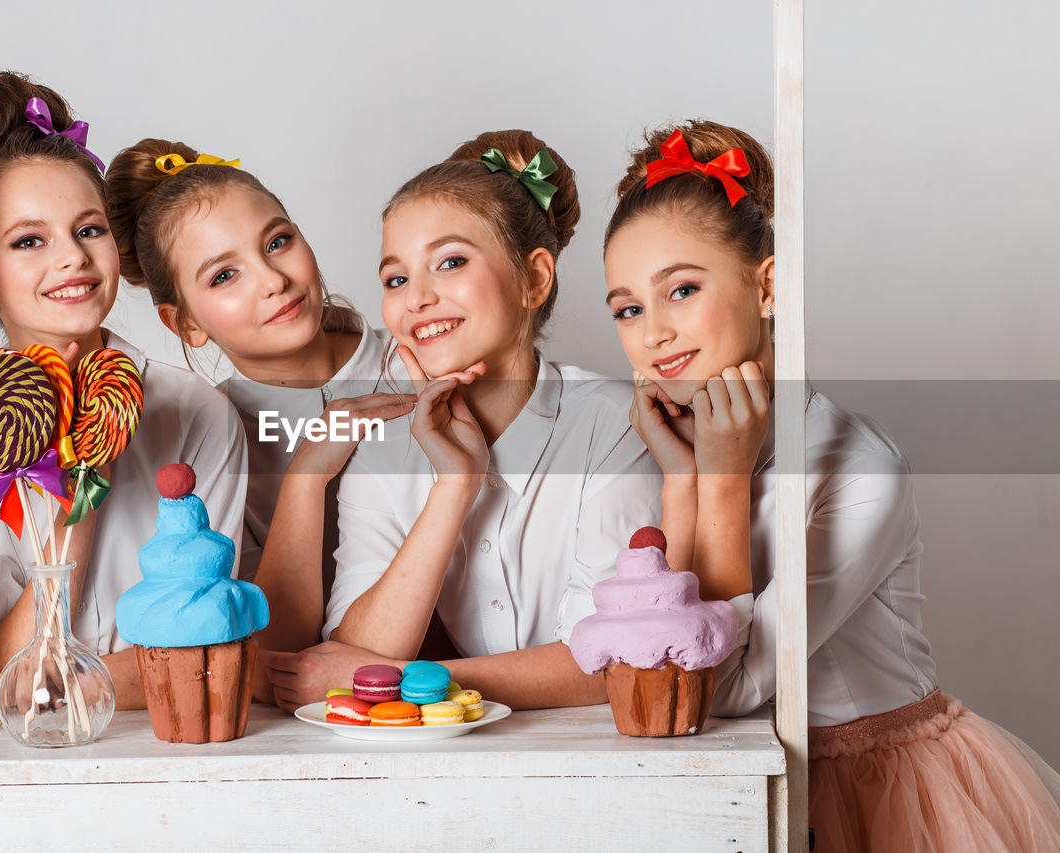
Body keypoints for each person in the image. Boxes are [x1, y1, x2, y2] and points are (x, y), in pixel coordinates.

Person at [603, 118, 1060, 852]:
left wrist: (715, 482)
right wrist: (685, 478)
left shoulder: (858, 466)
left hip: (883, 793)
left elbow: (721, 686)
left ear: (769, 284)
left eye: (681, 289)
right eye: (628, 308)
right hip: (735, 781)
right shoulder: (673, 447)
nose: (652, 333)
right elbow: (658, 674)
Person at [0, 72, 246, 853]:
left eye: (88, 229)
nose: (73, 259)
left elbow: (205, 650)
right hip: (15, 741)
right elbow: (0, 663)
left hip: (165, 744)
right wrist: (77, 496)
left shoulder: (197, 414)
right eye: (29, 240)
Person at [263, 129, 660, 712]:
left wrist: (408, 682)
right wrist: (453, 490)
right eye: (396, 279)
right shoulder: (379, 447)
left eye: (449, 262)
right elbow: (359, 646)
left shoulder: (615, 425)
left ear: (535, 278)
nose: (416, 297)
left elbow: (611, 659)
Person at [105, 141, 424, 662]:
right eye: (224, 275)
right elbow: (272, 644)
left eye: (277, 242)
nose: (274, 281)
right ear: (184, 323)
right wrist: (305, 474)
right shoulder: (207, 442)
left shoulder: (423, 359)